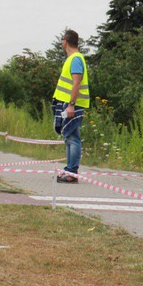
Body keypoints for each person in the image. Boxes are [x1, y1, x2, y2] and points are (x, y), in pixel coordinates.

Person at [51, 29, 89, 183]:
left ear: (65, 41)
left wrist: (71, 105)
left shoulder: (75, 59)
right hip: (67, 103)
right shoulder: (72, 59)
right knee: (69, 137)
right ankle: (69, 170)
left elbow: (76, 83)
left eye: (62, 40)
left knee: (72, 138)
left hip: (72, 104)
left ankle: (72, 172)